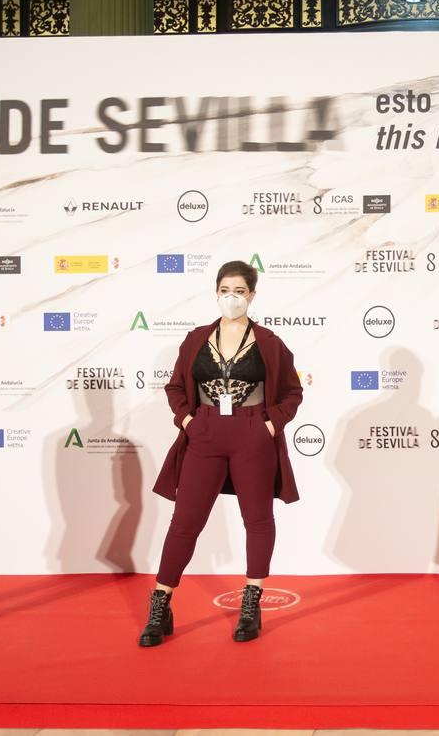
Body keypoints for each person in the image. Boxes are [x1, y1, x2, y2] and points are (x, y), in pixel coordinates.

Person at [141, 260, 304, 646]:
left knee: (257, 519)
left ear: (252, 295)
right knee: (185, 521)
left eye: (240, 291)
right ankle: (161, 603)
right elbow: (175, 388)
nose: (231, 298)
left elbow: (293, 393)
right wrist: (188, 422)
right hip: (206, 432)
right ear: (216, 292)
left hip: (252, 433)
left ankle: (252, 601)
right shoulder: (196, 338)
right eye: (225, 290)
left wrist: (269, 424)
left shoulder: (269, 342)